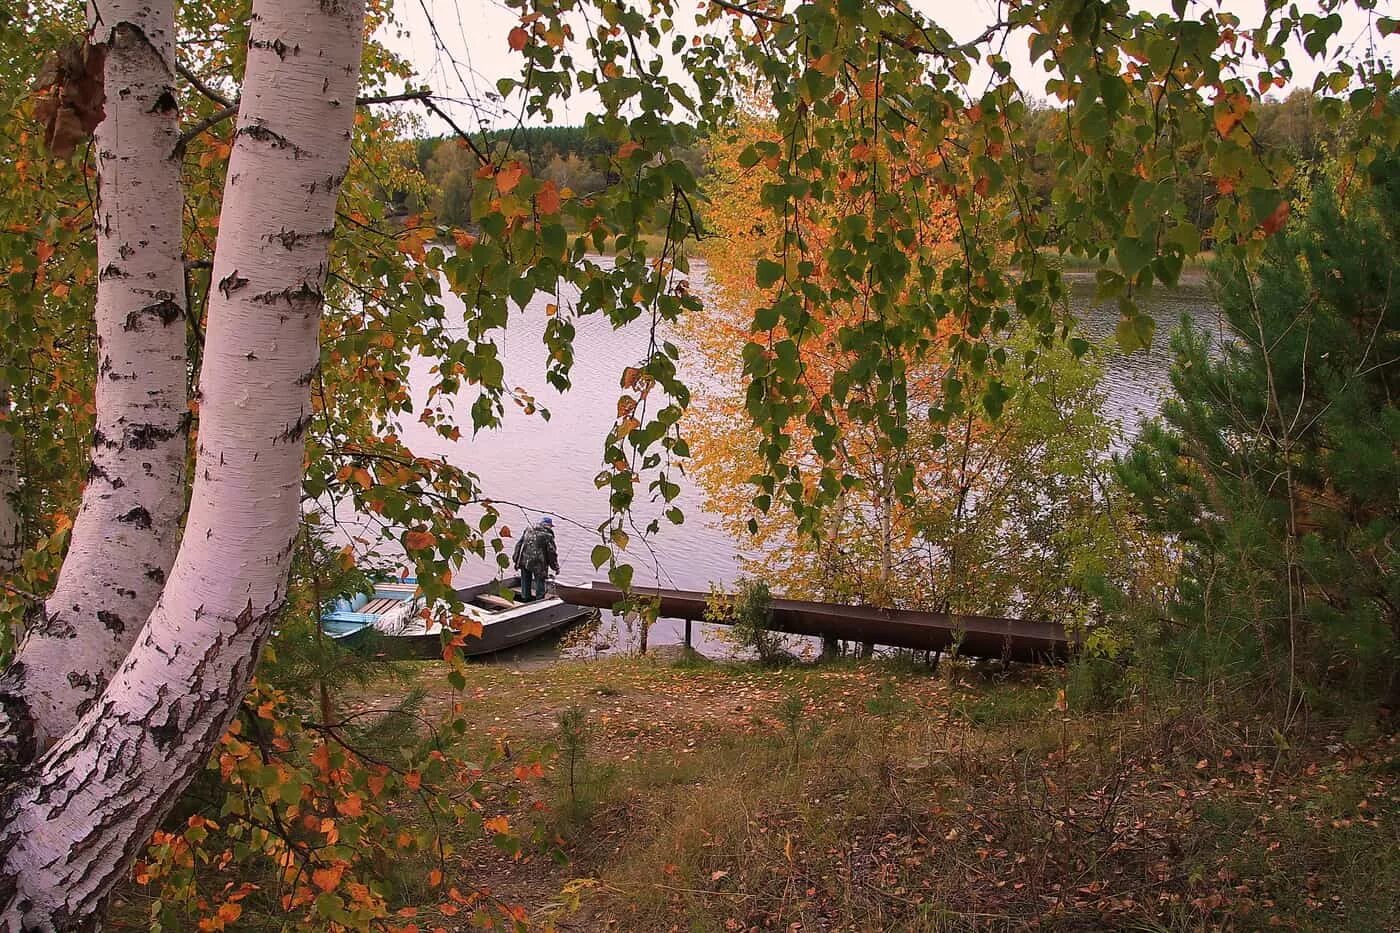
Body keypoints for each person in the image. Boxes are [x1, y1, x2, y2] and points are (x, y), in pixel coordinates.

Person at [512, 516, 559, 601]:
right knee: (540, 581)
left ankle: (525, 599)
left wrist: (516, 560)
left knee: (525, 580)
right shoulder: (547, 536)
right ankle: (539, 601)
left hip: (523, 560)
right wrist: (555, 567)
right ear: (549, 526)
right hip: (538, 563)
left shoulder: (528, 529)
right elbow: (552, 553)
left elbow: (519, 544)